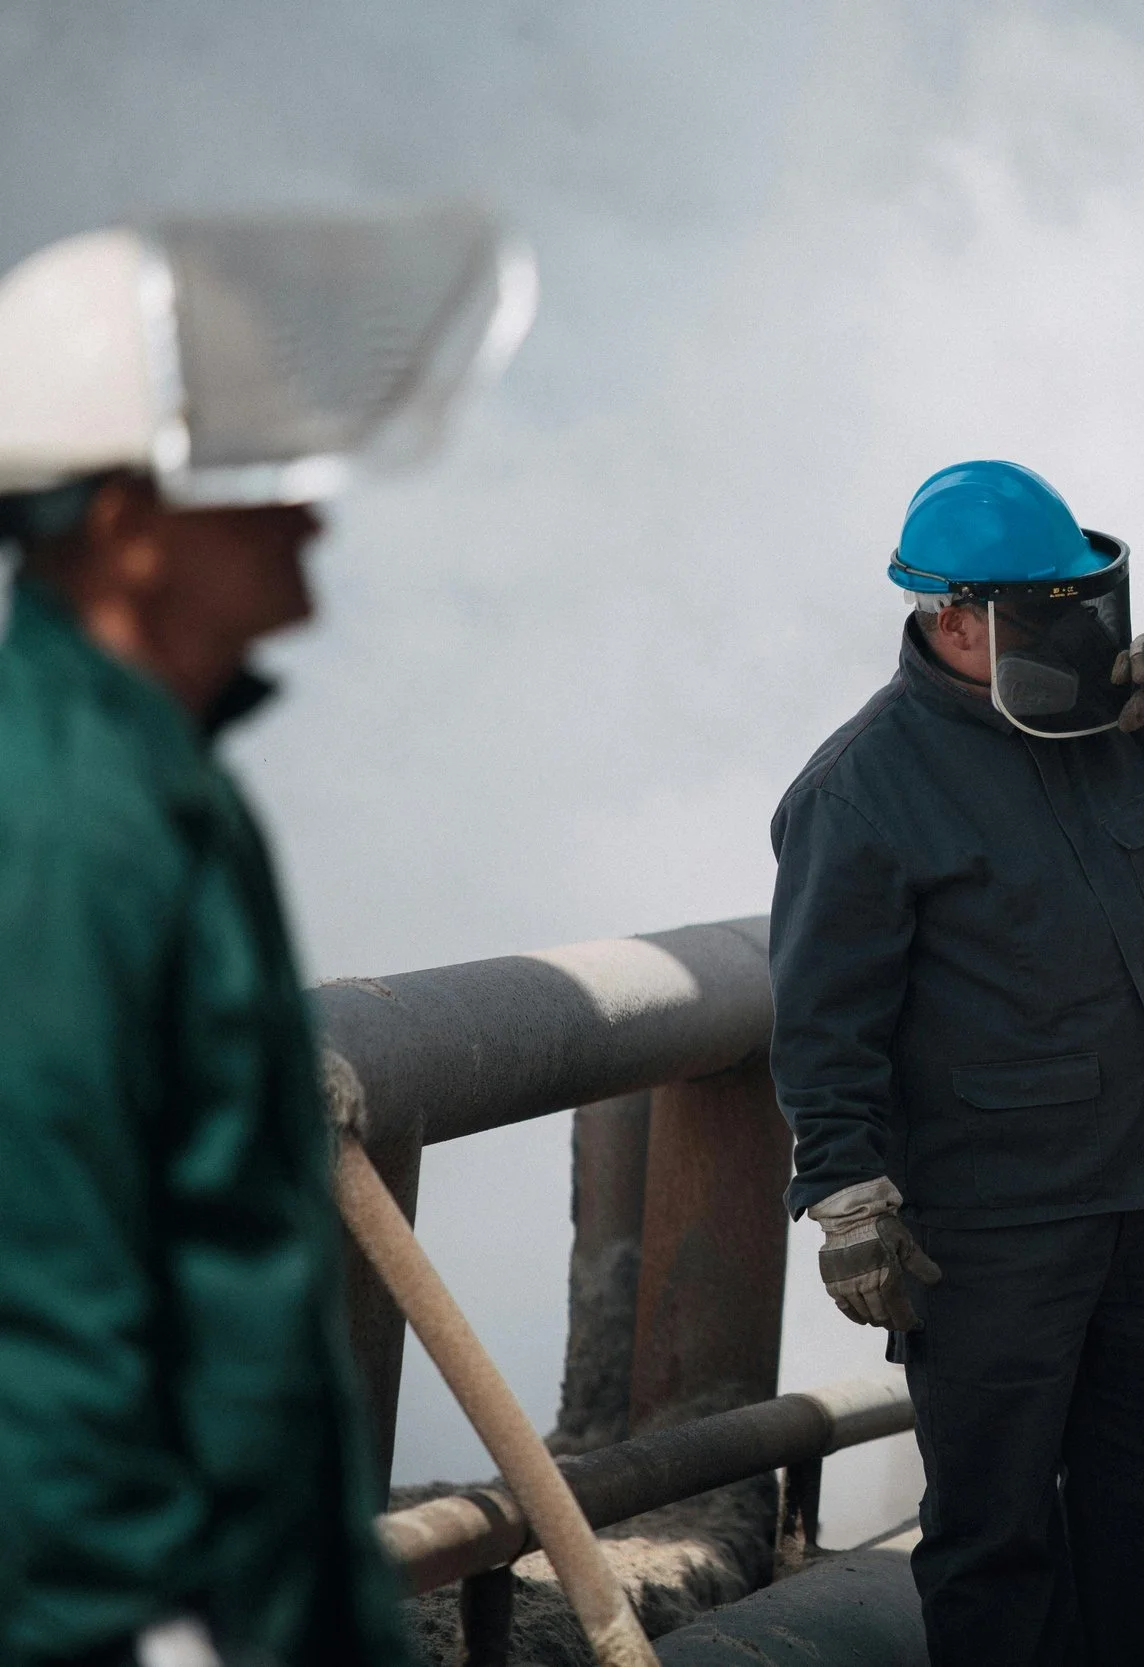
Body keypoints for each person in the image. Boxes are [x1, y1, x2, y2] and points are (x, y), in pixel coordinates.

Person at [0, 206, 534, 1667]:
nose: (309, 514)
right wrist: (138, 1624)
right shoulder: (62, 822)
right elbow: (44, 1288)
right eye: (253, 486)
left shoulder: (145, 776)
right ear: (125, 534)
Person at [769, 460, 1144, 1665]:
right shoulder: (862, 789)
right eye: (1044, 605)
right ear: (953, 615)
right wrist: (847, 1191)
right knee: (995, 1534)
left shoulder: (1122, 720)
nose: (1076, 626)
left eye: (1081, 598)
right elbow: (824, 1017)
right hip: (991, 1230)